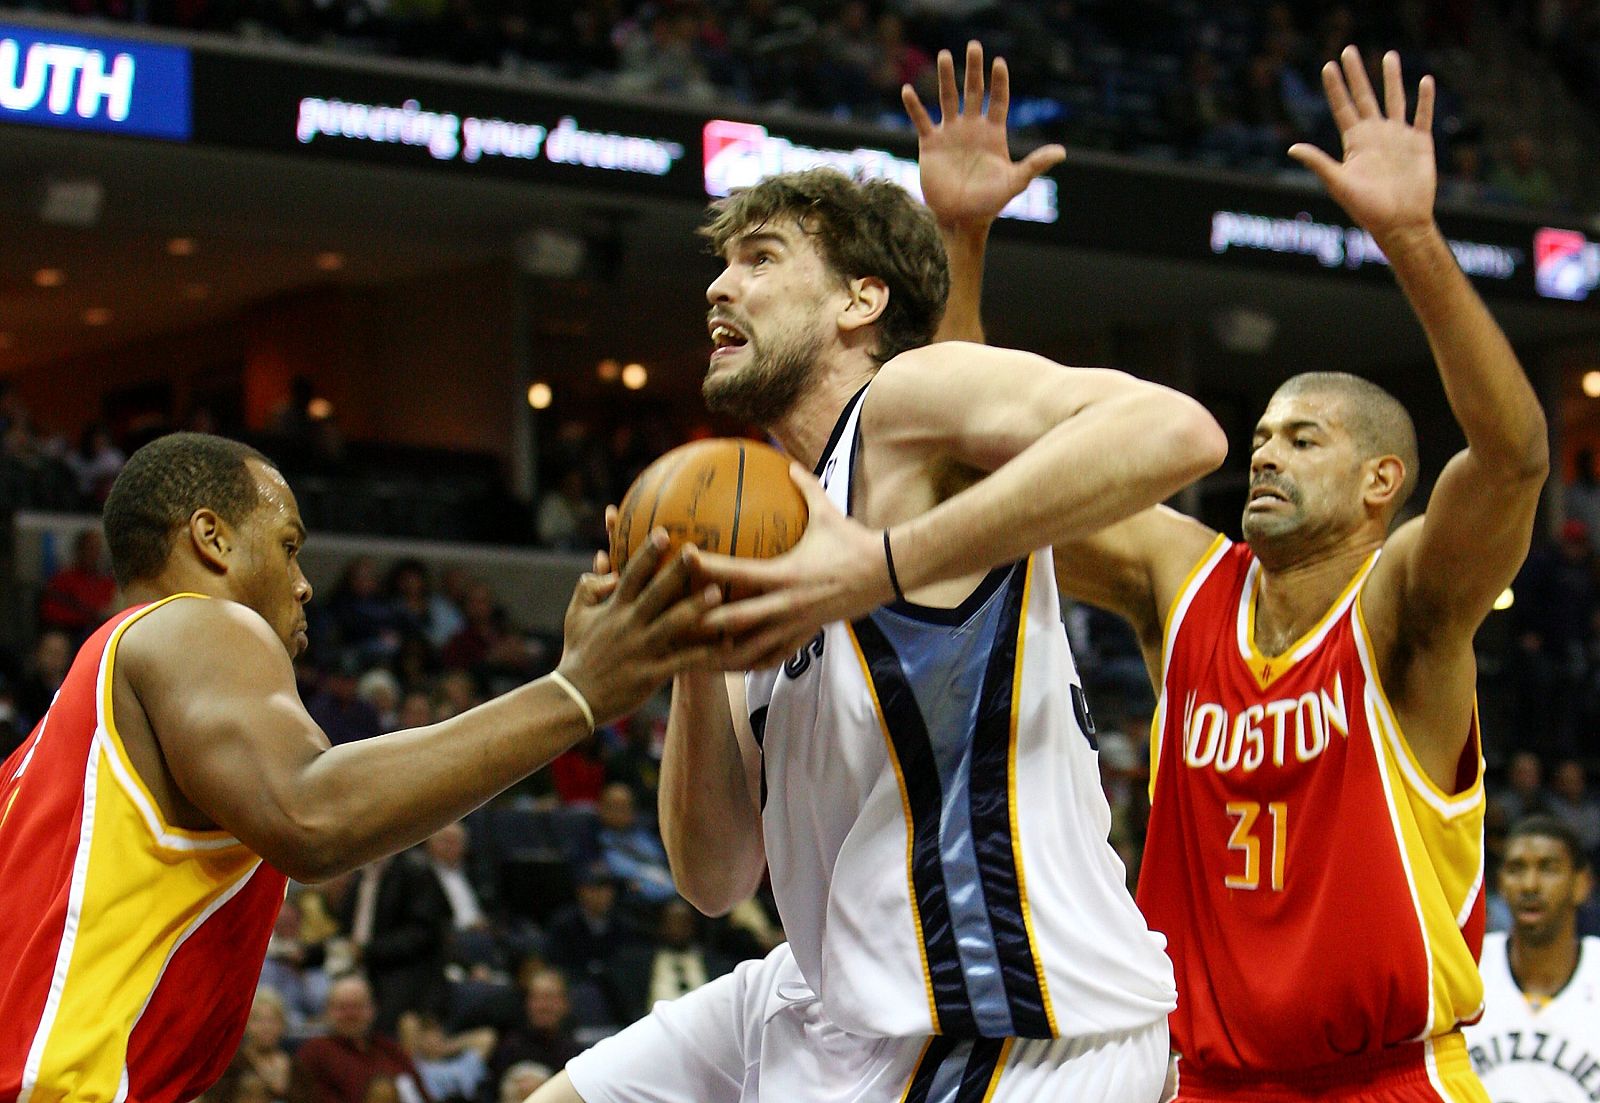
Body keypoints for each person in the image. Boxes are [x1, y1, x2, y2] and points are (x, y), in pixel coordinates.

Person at [538, 42, 1227, 1103]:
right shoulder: (753, 531)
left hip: (1009, 1020)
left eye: (762, 258)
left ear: (860, 302)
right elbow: (715, 878)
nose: (721, 285)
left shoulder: (901, 412)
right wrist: (680, 651)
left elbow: (1178, 430)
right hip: (831, 994)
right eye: (722, 265)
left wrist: (881, 567)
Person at [935, 47, 1546, 1100]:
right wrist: (962, 241)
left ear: (1379, 482)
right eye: (1261, 434)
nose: (1262, 452)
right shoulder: (1182, 579)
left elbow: (1513, 457)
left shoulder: (1403, 606)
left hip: (1388, 1078)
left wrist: (1409, 238)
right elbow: (958, 477)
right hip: (1203, 1079)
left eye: (1303, 439)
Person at [0, 431, 724, 1103]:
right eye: (288, 546)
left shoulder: (41, 754)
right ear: (211, 538)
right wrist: (576, 692)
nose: (305, 582)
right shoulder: (197, 622)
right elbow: (312, 814)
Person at [1464, 816, 1599, 1101]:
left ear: (1582, 884)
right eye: (1516, 869)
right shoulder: (1466, 968)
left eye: (1548, 869)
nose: (1530, 885)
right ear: (1499, 882)